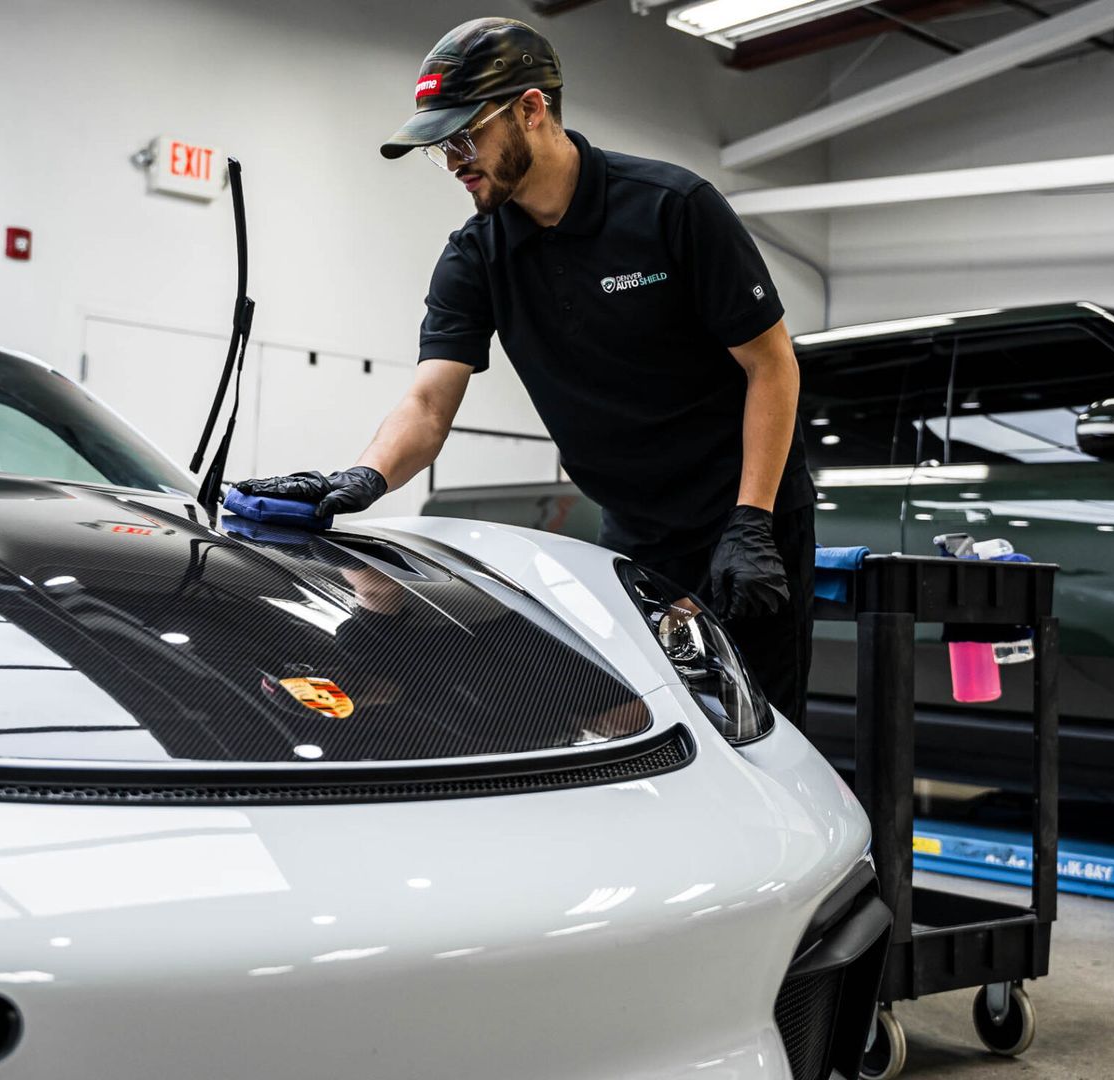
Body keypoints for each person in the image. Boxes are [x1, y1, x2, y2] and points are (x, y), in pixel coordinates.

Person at [235, 17, 814, 727]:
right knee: (633, 720)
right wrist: (358, 480)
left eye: (463, 137)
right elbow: (428, 403)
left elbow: (772, 365)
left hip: (747, 522)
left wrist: (753, 520)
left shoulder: (671, 209)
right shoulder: (476, 255)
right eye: (440, 147)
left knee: (760, 728)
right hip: (636, 529)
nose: (452, 161)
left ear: (531, 109)